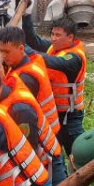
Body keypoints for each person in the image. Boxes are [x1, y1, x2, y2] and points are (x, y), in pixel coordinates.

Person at [0, 60, 65, 186]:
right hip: (37, 164)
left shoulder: (19, 109)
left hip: (47, 163)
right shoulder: (4, 94)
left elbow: (28, 148)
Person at [22, 15, 87, 155]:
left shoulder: (74, 58)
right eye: (52, 34)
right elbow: (33, 40)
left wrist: (19, 48)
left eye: (58, 35)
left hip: (70, 118)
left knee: (78, 154)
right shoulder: (54, 47)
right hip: (54, 115)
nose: (53, 38)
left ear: (70, 38)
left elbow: (51, 61)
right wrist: (26, 15)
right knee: (53, 153)